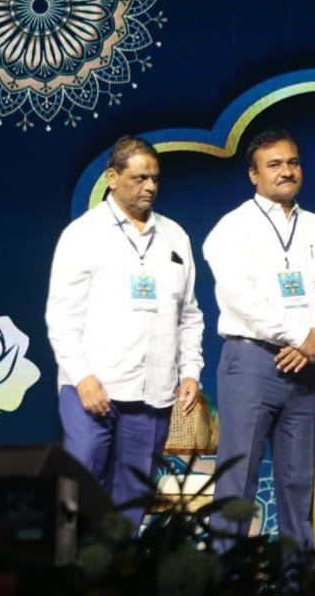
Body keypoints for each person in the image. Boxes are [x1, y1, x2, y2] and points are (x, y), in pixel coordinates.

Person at [46, 135, 204, 527]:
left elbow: (189, 313)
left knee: (133, 495)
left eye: (155, 178)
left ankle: (119, 563)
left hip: (153, 393)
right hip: (94, 388)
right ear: (112, 177)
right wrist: (82, 376)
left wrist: (190, 370)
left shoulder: (175, 236)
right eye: (139, 178)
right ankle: (71, 564)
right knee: (80, 490)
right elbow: (62, 316)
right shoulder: (83, 234)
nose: (149, 186)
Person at [202, 126, 315, 550]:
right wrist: (301, 335)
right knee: (238, 479)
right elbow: (242, 298)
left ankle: (295, 576)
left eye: (293, 163)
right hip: (252, 364)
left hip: (305, 369)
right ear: (254, 174)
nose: (286, 171)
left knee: (300, 483)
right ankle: (226, 573)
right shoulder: (232, 228)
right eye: (274, 164)